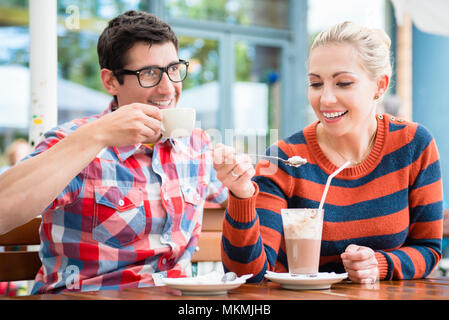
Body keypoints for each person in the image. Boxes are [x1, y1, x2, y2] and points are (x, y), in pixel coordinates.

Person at [0, 10, 228, 294]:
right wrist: (98, 134)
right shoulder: (73, 141)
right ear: (110, 82)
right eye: (149, 74)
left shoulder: (196, 145)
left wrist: (241, 181)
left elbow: (239, 199)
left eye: (173, 69)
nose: (168, 87)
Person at [213, 21, 443, 284]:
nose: (326, 99)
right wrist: (241, 196)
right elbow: (248, 276)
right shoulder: (284, 159)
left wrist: (379, 264)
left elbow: (428, 248)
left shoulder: (413, 145)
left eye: (343, 83)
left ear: (380, 86)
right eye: (316, 83)